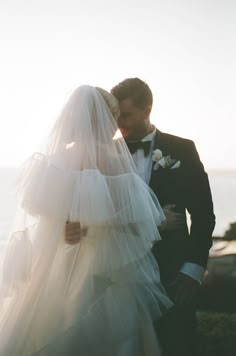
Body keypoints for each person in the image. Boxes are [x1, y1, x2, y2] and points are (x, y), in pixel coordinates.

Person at [0, 85, 172, 355]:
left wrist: (68, 228)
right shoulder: (115, 162)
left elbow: (46, 220)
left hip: (57, 268)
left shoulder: (51, 163)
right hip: (107, 266)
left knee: (51, 325)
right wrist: (161, 219)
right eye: (114, 118)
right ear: (106, 119)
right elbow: (133, 223)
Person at [110, 78, 216, 356]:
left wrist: (193, 269)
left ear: (147, 110)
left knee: (176, 345)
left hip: (173, 274)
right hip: (117, 274)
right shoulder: (104, 155)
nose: (121, 123)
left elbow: (204, 214)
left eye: (127, 115)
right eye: (117, 116)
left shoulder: (182, 149)